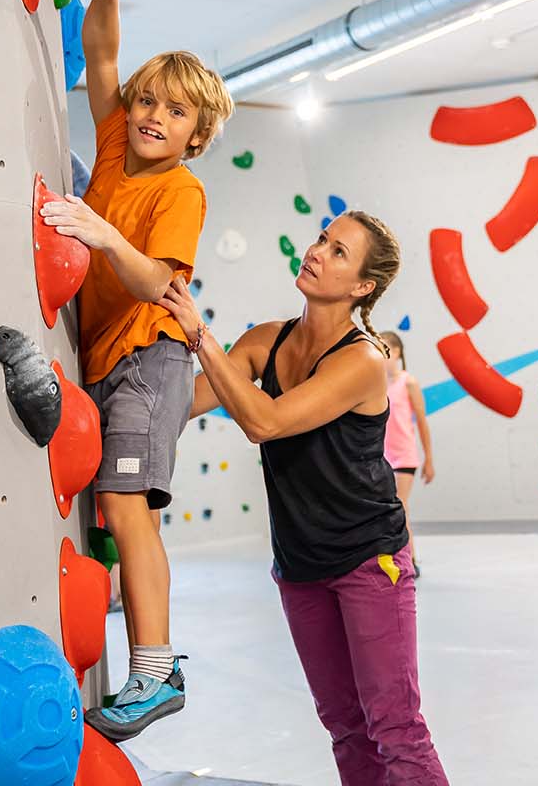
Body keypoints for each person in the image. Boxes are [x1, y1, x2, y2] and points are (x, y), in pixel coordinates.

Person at [159, 212, 450, 785]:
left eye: (338, 252)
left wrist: (200, 333)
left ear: (362, 287)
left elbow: (264, 421)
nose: (317, 252)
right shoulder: (265, 342)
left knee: (396, 729)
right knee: (343, 724)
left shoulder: (364, 359)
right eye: (322, 240)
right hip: (299, 566)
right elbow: (178, 406)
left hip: (370, 561)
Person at [43, 0, 233, 742]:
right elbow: (104, 57)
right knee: (108, 517)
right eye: (151, 101)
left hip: (148, 363)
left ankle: (155, 673)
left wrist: (98, 233)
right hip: (103, 360)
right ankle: (131, 662)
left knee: (127, 506)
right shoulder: (117, 146)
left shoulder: (181, 191)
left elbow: (161, 280)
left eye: (175, 110)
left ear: (198, 133)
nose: (153, 114)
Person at [379, 331, 434, 577]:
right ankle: (390, 556)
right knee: (385, 510)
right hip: (382, 456)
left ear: (397, 352)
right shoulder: (377, 385)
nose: (382, 355)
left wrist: (429, 459)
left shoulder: (407, 382)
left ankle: (409, 557)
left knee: (400, 506)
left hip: (404, 455)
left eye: (386, 349)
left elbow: (421, 422)